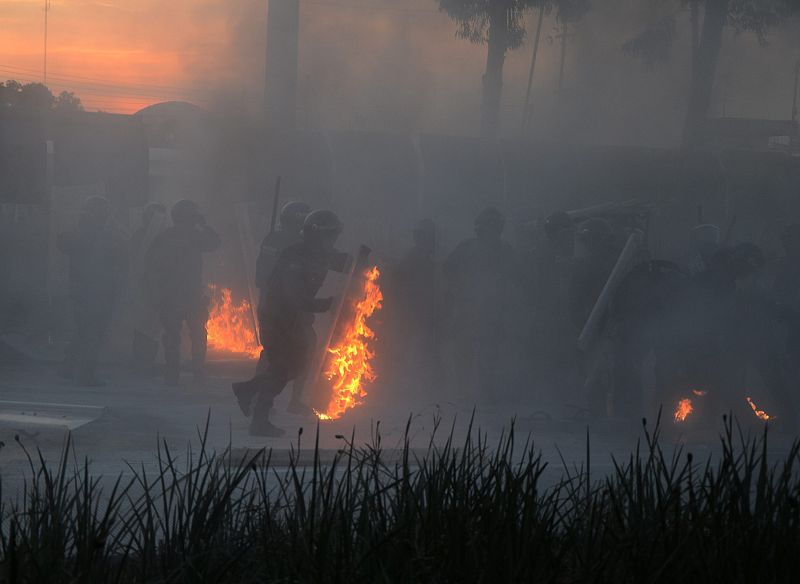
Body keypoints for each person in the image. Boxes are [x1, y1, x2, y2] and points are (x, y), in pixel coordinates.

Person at [232, 210, 349, 437]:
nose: (333, 242)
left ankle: (247, 390)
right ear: (317, 236)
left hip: (293, 319)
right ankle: (259, 420)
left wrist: (368, 264)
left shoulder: (320, 253)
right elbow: (292, 296)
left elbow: (343, 262)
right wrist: (326, 304)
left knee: (294, 366)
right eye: (330, 236)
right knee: (282, 367)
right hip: (277, 317)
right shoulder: (295, 257)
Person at [443, 207, 523, 401]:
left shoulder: (504, 251)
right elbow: (448, 270)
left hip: (491, 313)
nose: (492, 231)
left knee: (489, 356)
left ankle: (486, 394)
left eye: (495, 226)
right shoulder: (467, 248)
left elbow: (518, 277)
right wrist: (459, 291)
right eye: (489, 226)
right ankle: (462, 395)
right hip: (468, 310)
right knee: (464, 354)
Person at [144, 199, 221, 386]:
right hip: (190, 295)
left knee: (172, 336)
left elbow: (150, 263)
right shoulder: (195, 236)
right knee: (198, 334)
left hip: (170, 295)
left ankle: (172, 374)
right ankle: (198, 372)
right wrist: (205, 225)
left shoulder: (165, 236)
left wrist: (156, 291)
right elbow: (216, 243)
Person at [57, 196, 127, 386]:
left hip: (88, 290)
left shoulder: (87, 232)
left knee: (83, 332)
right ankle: (85, 374)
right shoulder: (94, 234)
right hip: (94, 292)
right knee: (93, 334)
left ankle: (68, 367)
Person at [254, 201, 311, 414]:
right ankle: (256, 395)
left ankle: (295, 400)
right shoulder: (281, 241)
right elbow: (262, 275)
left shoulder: (298, 243)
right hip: (276, 306)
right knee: (272, 352)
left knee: (306, 348)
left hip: (295, 307)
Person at [129, 202, 167, 375]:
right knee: (145, 326)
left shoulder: (164, 236)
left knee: (152, 327)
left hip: (157, 287)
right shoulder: (141, 236)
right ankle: (141, 364)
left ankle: (144, 363)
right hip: (145, 287)